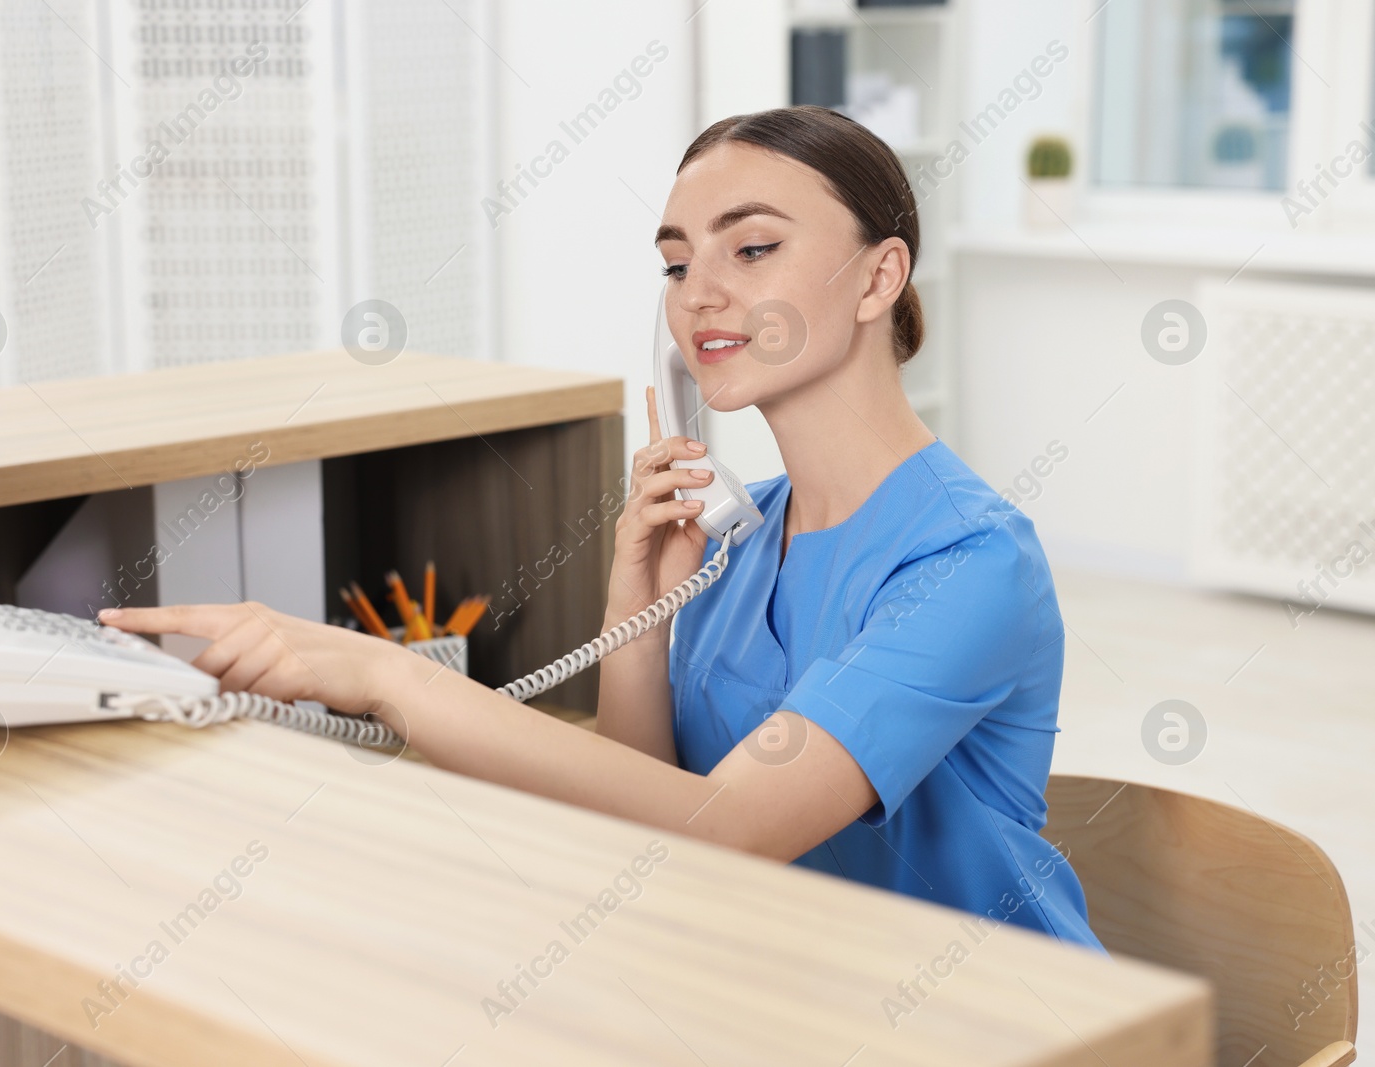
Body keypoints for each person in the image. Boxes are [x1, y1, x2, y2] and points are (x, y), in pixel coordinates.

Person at [101, 105, 1103, 951]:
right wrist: (641, 609)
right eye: (675, 265)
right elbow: (645, 817)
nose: (699, 293)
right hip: (790, 998)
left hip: (992, 1023)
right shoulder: (734, 540)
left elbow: (729, 828)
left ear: (879, 278)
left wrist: (388, 673)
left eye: (751, 248)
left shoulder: (970, 560)